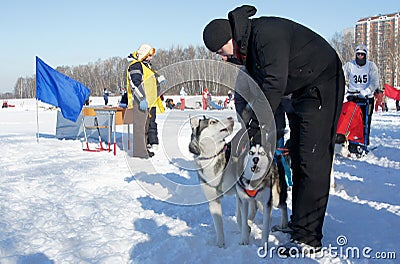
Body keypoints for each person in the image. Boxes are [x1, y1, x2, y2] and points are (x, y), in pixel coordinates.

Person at [203, 5, 345, 253]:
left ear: (229, 39)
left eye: (220, 51)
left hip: (323, 82)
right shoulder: (249, 51)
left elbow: (273, 85)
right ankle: (299, 226)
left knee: (313, 159)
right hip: (302, 91)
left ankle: (308, 238)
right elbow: (258, 96)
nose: (223, 58)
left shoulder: (266, 35)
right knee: (299, 156)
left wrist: (256, 122)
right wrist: (252, 132)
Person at [126, 44, 163, 158]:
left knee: (147, 127)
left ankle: (144, 149)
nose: (151, 58)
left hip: (150, 102)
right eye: (149, 55)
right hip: (140, 101)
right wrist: (142, 99)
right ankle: (139, 152)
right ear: (143, 54)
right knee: (140, 128)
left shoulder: (147, 66)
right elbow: (135, 84)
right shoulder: (136, 66)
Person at [343, 44, 379, 145]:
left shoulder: (371, 66)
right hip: (353, 96)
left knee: (365, 121)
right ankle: (351, 140)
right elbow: (342, 75)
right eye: (358, 54)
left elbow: (375, 82)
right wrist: (345, 87)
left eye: (362, 54)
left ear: (365, 55)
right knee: (351, 120)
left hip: (367, 97)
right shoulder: (350, 65)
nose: (360, 56)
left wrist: (368, 90)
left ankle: (364, 141)